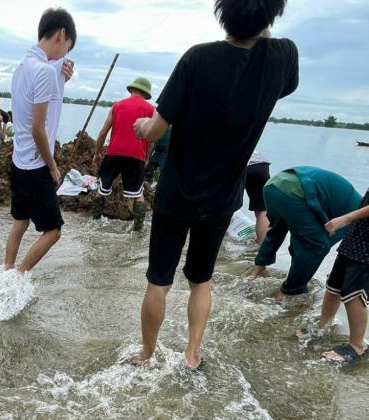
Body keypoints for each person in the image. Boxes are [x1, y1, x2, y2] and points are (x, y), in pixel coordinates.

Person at [131, 0, 299, 369]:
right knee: (200, 280)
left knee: (159, 280)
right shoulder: (282, 56)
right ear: (270, 15)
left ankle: (146, 354)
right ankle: (192, 354)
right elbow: (271, 48)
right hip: (222, 199)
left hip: (176, 194)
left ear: (223, 13)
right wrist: (263, 22)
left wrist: (142, 127)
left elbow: (157, 129)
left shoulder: (197, 59)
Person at [3, 8, 76, 274]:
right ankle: (19, 276)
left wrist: (62, 74)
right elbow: (38, 129)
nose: (65, 56)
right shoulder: (44, 71)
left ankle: (7, 269)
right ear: (62, 34)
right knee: (53, 231)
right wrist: (53, 166)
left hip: (18, 162)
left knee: (20, 221)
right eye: (66, 49)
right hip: (36, 167)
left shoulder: (21, 67)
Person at [251, 167, 361, 297]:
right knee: (316, 246)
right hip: (296, 192)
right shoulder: (357, 217)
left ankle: (255, 273)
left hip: (273, 185)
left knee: (278, 230)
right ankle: (286, 294)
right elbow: (317, 247)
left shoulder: (355, 203)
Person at [91, 77, 154, 229]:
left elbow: (102, 133)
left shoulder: (117, 106)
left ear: (131, 90)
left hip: (113, 153)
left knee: (102, 190)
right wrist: (146, 157)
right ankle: (138, 230)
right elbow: (151, 139)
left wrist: (97, 153)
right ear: (146, 94)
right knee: (138, 194)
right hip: (136, 155)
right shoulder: (151, 110)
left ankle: (94, 222)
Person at [318, 187, 369, 365]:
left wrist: (346, 218)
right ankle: (323, 326)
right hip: (359, 233)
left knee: (353, 291)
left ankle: (357, 345)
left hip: (366, 243)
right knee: (335, 284)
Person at [246, 151, 272, 243]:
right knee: (262, 210)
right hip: (261, 165)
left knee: (224, 207)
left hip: (239, 165)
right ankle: (262, 248)